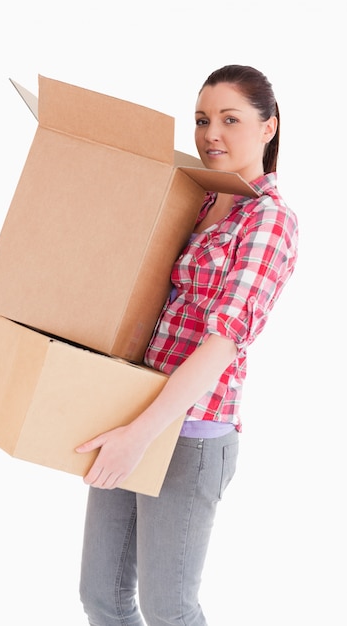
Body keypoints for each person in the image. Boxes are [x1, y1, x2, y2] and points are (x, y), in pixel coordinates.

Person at [75, 64, 299, 625]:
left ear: (268, 128)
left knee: (169, 609)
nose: (210, 134)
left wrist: (138, 435)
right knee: (101, 597)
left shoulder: (270, 220)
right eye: (202, 120)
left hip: (192, 433)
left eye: (230, 119)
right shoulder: (202, 201)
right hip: (136, 413)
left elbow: (223, 344)